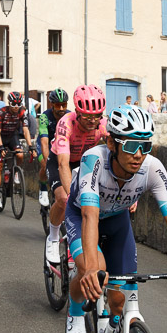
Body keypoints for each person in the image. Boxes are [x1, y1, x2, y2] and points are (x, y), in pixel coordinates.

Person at [64, 105, 167, 333]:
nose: (138, 155)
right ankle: (74, 311)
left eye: (145, 146)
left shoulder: (152, 168)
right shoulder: (93, 160)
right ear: (111, 143)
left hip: (117, 221)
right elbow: (90, 216)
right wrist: (92, 268)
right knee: (93, 270)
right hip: (81, 215)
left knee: (121, 302)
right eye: (130, 146)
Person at [45, 85, 107, 264]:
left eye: (96, 116)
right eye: (87, 116)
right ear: (78, 112)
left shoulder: (102, 124)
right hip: (61, 159)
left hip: (83, 162)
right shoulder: (66, 123)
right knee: (64, 199)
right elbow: (63, 164)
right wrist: (72, 198)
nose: (92, 121)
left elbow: (116, 152)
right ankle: (53, 236)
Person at [0, 91, 32, 212]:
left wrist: (31, 146)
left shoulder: (22, 112)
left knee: (19, 154)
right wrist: (0, 147)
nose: (15, 107)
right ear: (9, 103)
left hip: (12, 136)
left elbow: (25, 130)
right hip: (1, 137)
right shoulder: (1, 112)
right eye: (13, 104)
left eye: (18, 104)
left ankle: (16, 172)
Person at [37, 88, 70, 207]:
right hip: (46, 144)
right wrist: (47, 161)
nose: (61, 108)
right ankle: (43, 188)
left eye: (63, 105)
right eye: (58, 105)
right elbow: (44, 142)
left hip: (61, 146)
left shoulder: (70, 116)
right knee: (45, 164)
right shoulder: (45, 117)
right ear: (52, 105)